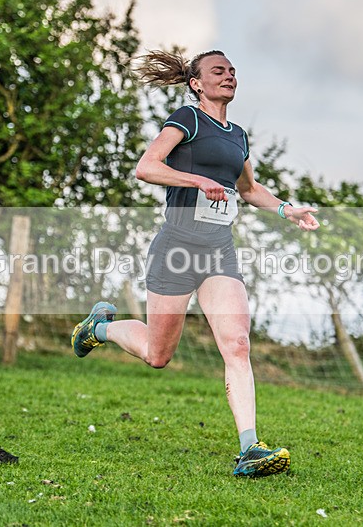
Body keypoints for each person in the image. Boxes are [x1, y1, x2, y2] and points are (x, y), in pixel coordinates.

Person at [71, 49, 319, 477]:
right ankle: (99, 328)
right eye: (218, 71)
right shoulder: (186, 119)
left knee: (237, 344)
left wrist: (286, 209)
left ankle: (249, 450)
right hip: (176, 248)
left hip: (218, 251)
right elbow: (146, 168)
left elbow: (249, 188)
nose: (229, 77)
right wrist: (197, 180)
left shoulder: (238, 135)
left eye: (233, 71)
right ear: (196, 83)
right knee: (158, 354)